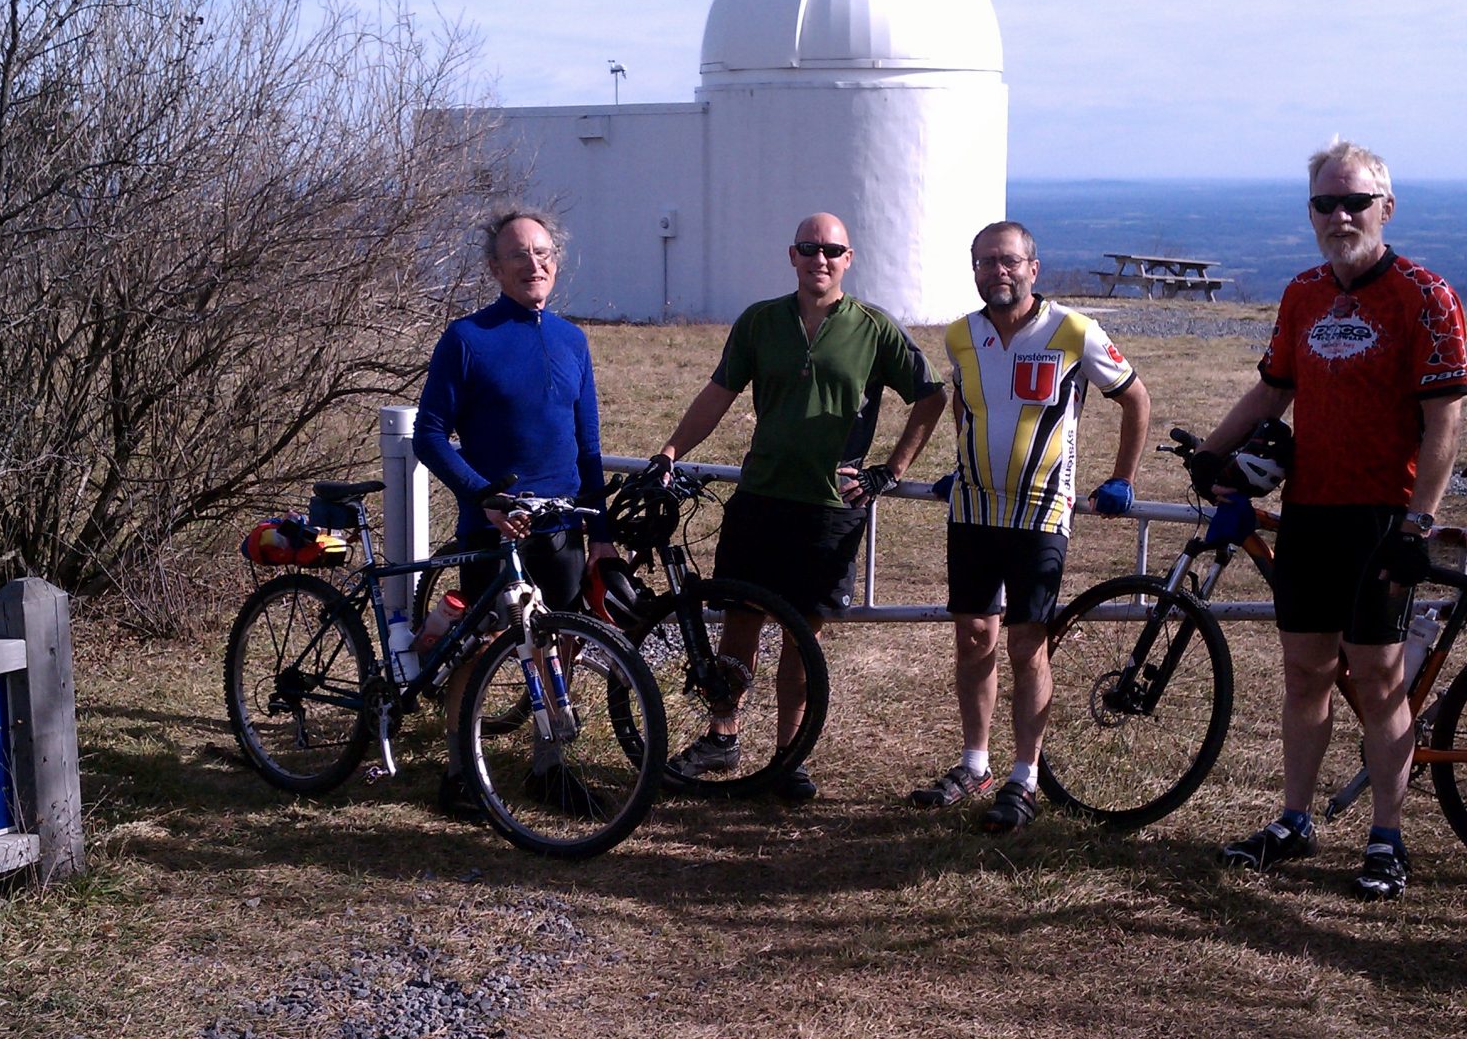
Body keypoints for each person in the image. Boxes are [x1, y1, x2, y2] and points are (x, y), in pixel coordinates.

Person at [1204, 141, 1467, 900]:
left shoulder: (1425, 294)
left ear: (1388, 206)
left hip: (1383, 517)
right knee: (1304, 674)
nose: (1341, 215)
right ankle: (1294, 818)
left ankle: (1388, 835)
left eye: (1356, 202)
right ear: (1311, 212)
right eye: (1326, 203)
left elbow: (1442, 424)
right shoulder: (1304, 293)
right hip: (1310, 513)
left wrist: (1420, 525)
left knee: (1380, 680)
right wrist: (1212, 452)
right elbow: (1271, 392)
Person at [648, 212, 946, 801]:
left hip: (829, 509)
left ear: (849, 258)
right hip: (760, 498)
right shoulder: (761, 321)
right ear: (792, 255)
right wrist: (671, 450)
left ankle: (791, 756)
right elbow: (718, 393)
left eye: (832, 249)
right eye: (809, 248)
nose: (821, 258)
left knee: (801, 637)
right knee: (739, 626)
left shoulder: (875, 329)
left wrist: (894, 469)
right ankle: (722, 737)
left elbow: (932, 395)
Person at [909, 221, 1150, 832]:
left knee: (1026, 645)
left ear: (1033, 269)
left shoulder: (1073, 330)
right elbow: (966, 401)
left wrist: (1122, 477)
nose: (999, 272)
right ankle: (975, 762)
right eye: (986, 262)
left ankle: (1025, 775)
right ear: (975, 270)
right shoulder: (961, 335)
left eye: (1010, 261)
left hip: (1041, 512)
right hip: (973, 509)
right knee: (973, 637)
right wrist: (962, 457)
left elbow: (1135, 397)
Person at [413, 208, 619, 818]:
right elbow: (428, 434)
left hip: (559, 527)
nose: (535, 263)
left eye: (544, 252)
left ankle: (548, 769)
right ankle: (458, 774)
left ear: (556, 261)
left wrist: (600, 530)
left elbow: (588, 450)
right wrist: (483, 496)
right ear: (495, 267)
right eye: (520, 254)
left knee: (561, 643)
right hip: (493, 528)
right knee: (479, 647)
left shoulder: (572, 339)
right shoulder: (467, 338)